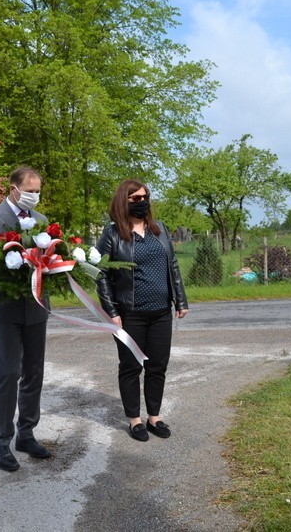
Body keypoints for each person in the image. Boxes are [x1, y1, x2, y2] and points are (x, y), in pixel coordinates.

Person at [96, 179, 189, 442]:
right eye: (135, 198)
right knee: (130, 367)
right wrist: (111, 310)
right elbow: (100, 273)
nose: (142, 202)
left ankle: (154, 417)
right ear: (123, 201)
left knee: (158, 366)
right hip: (129, 314)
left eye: (145, 197)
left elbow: (173, 266)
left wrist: (180, 300)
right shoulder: (112, 234)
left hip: (161, 313)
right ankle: (135, 420)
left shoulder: (160, 230)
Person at [0, 166, 52, 471]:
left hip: (36, 308)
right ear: (13, 188)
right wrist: (17, 266)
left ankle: (26, 434)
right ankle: (0, 441)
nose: (34, 195)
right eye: (29, 190)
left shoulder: (42, 221)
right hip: (4, 308)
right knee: (7, 373)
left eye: (38, 190)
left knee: (34, 372)